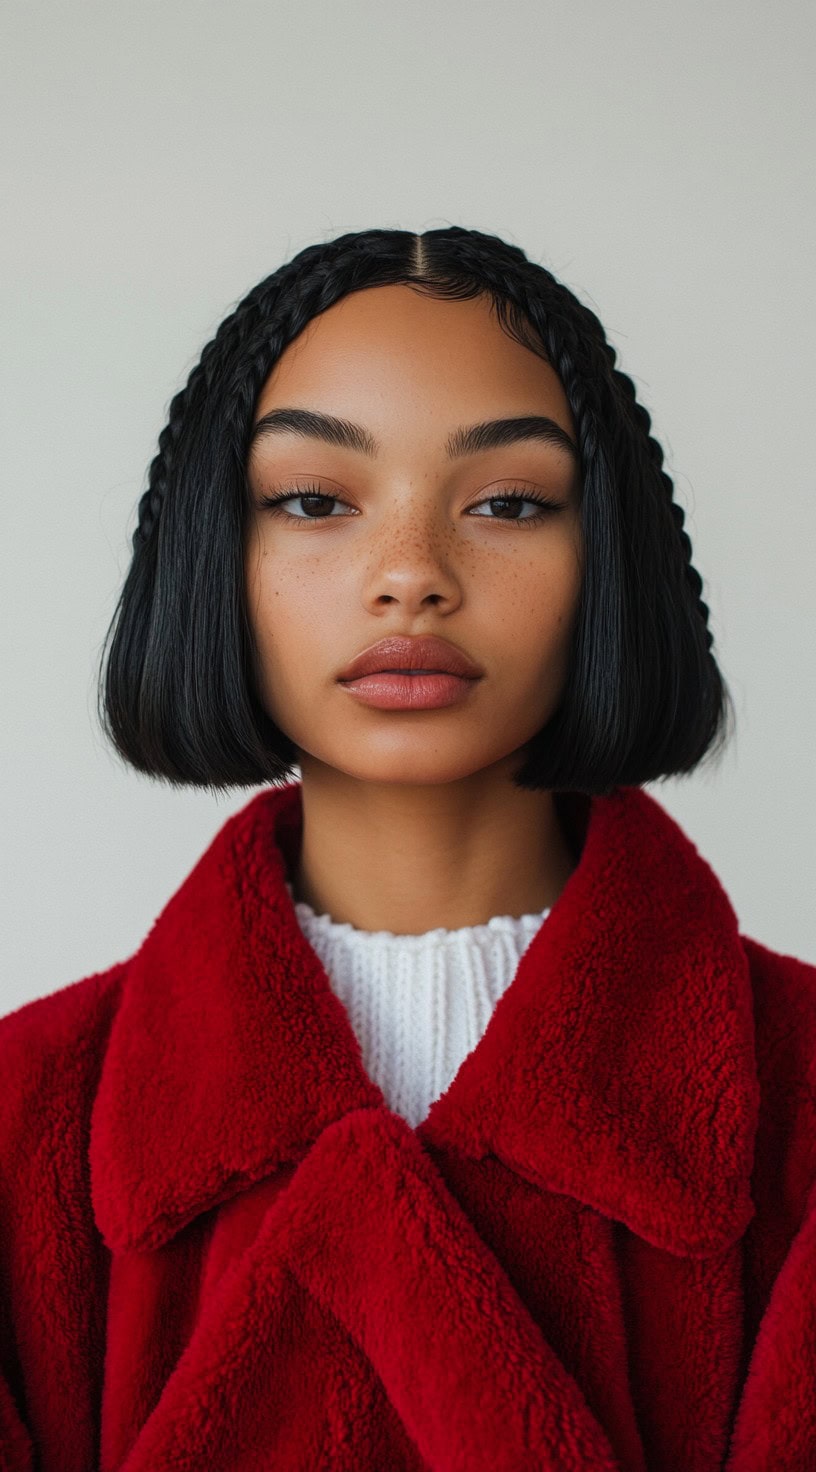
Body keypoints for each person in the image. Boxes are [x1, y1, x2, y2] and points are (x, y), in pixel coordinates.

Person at [1, 227, 813, 1471]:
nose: (412, 577)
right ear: (219, 554)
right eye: (316, 500)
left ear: (610, 559)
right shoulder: (24, 1117)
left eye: (509, 502)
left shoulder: (798, 1089)